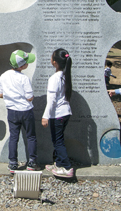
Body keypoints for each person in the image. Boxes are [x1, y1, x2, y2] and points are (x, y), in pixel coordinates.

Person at [0, 50, 37, 173]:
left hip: (12, 111)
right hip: (26, 110)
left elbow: (0, 94)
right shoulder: (24, 78)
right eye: (26, 62)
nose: (27, 64)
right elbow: (29, 97)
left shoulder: (3, 76)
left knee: (14, 137)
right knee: (31, 136)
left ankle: (13, 163)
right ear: (21, 66)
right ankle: (32, 161)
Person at [42, 48, 74, 178]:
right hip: (65, 113)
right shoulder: (65, 76)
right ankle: (58, 163)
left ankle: (67, 167)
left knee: (58, 141)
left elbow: (51, 99)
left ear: (54, 62)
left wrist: (45, 116)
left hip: (58, 114)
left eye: (51, 57)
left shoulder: (55, 78)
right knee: (57, 139)